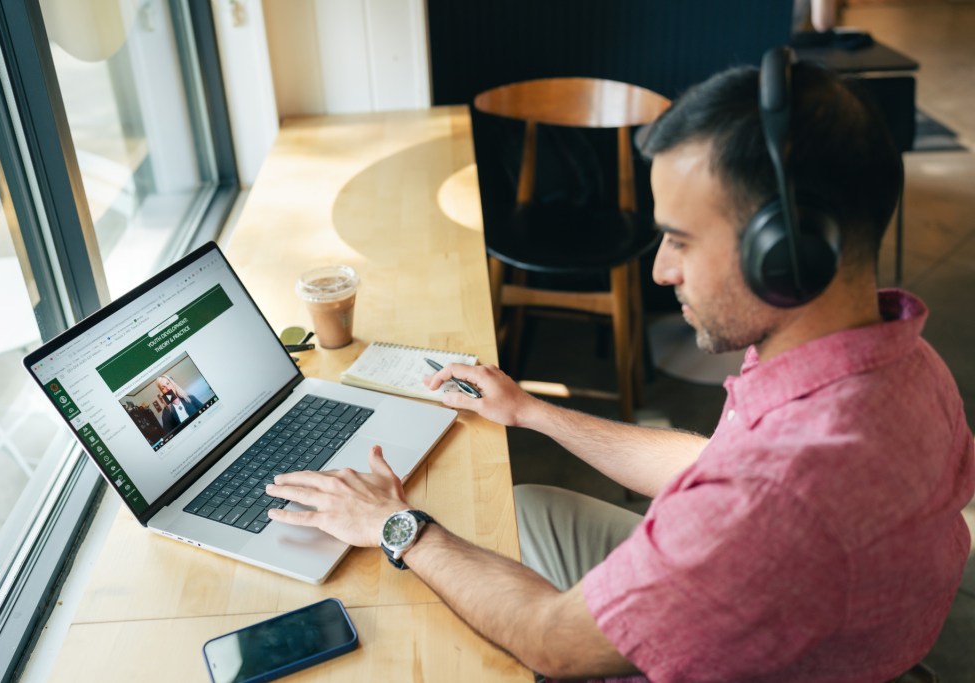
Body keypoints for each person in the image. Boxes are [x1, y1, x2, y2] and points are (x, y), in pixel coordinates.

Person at [263, 57, 974, 682]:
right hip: (822, 621)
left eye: (680, 240)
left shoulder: (765, 504)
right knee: (525, 508)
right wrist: (532, 411)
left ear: (783, 255)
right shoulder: (904, 359)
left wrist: (397, 526)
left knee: (418, 618)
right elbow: (716, 463)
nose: (661, 270)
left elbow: (554, 644)